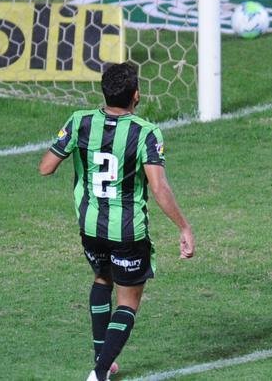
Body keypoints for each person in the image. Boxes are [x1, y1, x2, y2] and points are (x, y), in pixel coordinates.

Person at [39, 61, 196, 381]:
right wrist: (184, 226)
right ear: (136, 95)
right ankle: (99, 373)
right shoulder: (145, 132)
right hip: (127, 232)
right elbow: (159, 188)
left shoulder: (79, 121)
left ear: (104, 92)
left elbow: (46, 167)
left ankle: (102, 360)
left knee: (102, 279)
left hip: (90, 227)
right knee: (128, 302)